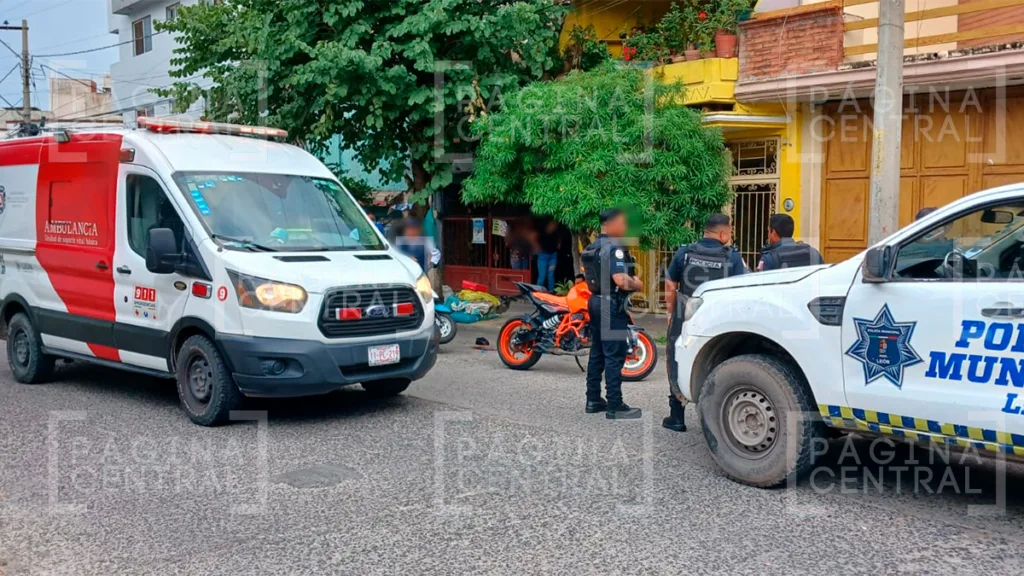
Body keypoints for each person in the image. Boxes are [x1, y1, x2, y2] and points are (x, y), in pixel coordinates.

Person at [662, 214, 747, 432]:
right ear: (722, 233)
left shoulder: (685, 252)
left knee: (677, 358)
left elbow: (670, 283)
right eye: (729, 231)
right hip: (718, 317)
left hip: (686, 313)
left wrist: (671, 313)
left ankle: (677, 417)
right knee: (718, 361)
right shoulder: (732, 257)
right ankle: (711, 422)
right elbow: (742, 288)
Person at [581, 208, 643, 420]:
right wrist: (638, 283)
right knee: (614, 355)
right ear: (614, 223)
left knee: (598, 352)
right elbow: (620, 279)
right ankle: (615, 405)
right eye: (623, 223)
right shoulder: (614, 248)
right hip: (610, 305)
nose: (625, 228)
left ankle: (593, 399)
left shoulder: (593, 246)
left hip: (595, 302)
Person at [757, 214, 824, 271]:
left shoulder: (768, 258)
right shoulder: (814, 253)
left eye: (768, 231)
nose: (768, 235)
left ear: (773, 232)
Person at [537, 219, 561, 292]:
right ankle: (537, 293)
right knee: (542, 276)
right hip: (543, 256)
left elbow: (559, 239)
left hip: (553, 256)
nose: (553, 227)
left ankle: (551, 291)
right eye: (552, 225)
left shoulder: (556, 233)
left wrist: (558, 245)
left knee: (551, 275)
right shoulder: (542, 233)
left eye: (555, 225)